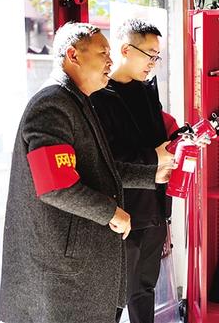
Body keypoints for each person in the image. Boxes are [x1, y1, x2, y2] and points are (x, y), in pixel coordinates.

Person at [0, 22, 175, 323]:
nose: (110, 61)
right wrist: (111, 212)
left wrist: (150, 177)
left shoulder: (79, 100)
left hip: (78, 263)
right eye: (103, 53)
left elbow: (98, 167)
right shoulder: (52, 104)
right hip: (62, 268)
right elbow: (56, 186)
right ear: (73, 55)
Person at [90, 18, 182, 323]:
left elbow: (159, 139)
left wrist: (181, 141)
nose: (153, 63)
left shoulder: (147, 91)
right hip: (123, 211)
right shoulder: (99, 96)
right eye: (149, 54)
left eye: (157, 56)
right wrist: (154, 156)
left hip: (155, 206)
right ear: (126, 50)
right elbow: (106, 158)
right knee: (115, 295)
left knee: (145, 288)